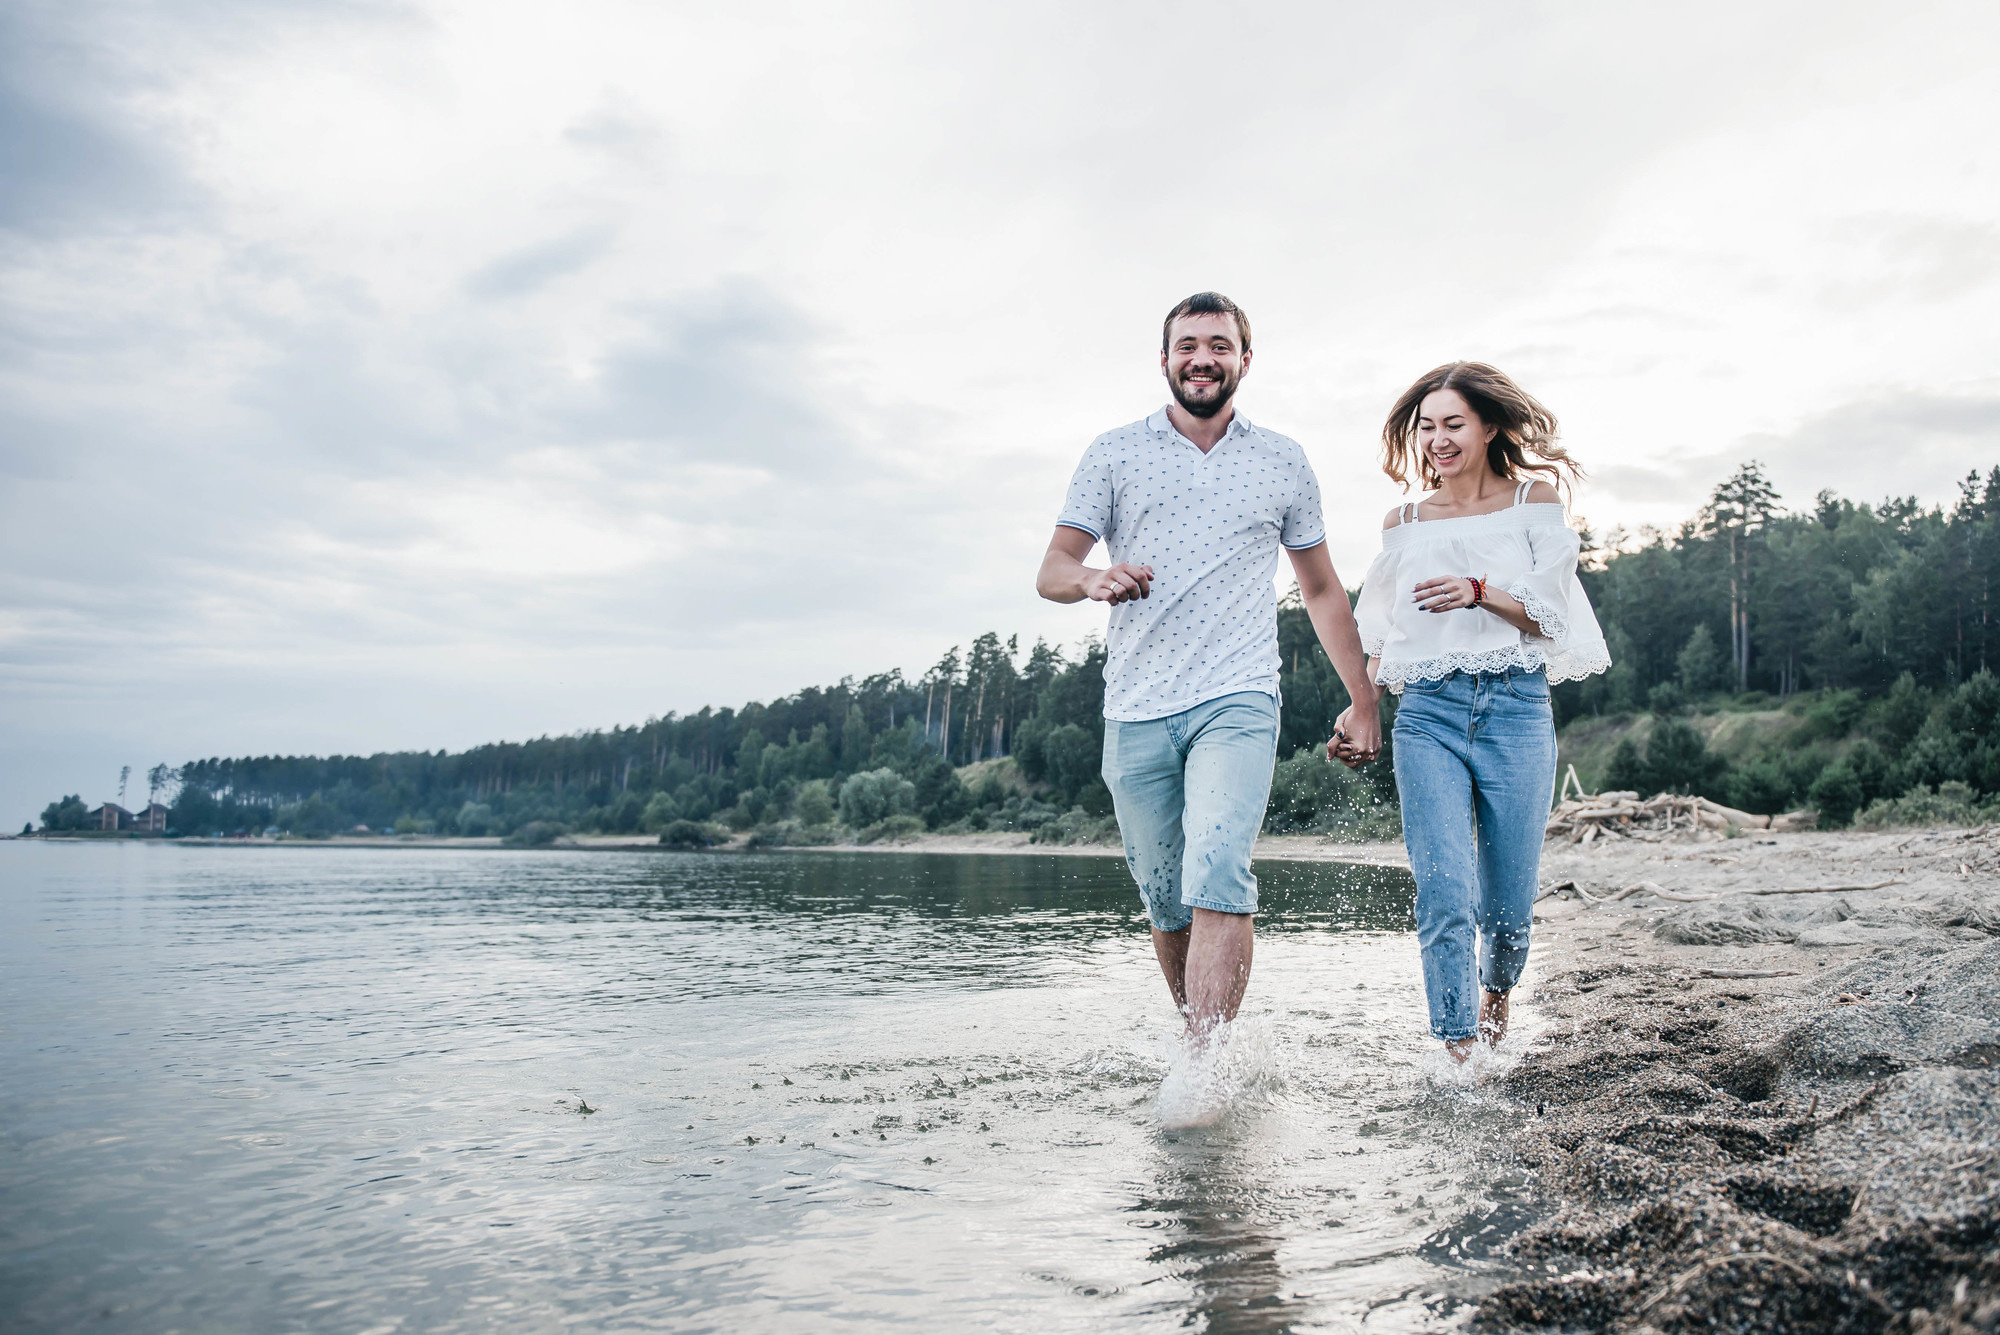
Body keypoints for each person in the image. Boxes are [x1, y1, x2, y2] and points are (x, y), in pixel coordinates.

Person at [1037, 292, 1381, 1042]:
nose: (1203, 357)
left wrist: (1364, 697)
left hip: (1239, 694)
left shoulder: (1282, 459)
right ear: (1164, 359)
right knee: (1165, 898)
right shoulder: (1113, 452)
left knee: (1218, 866)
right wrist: (1090, 578)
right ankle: (1204, 1039)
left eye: (1219, 345)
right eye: (1188, 344)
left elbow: (1321, 588)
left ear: (1244, 361)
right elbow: (1053, 568)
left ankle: (1206, 1064)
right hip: (1135, 705)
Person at [1336, 362, 1609, 1062]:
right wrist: (1360, 708)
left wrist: (1479, 590)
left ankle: (1496, 994)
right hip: (1427, 714)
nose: (1437, 439)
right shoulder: (1405, 522)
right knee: (1444, 891)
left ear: (1489, 427)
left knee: (1508, 913)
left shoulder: (1533, 502)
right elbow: (1380, 631)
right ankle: (1457, 1052)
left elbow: (1550, 616)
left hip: (1516, 711)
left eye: (1453, 423)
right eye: (1426, 426)